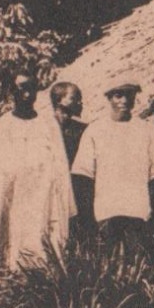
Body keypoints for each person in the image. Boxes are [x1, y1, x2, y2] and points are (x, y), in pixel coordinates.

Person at [0, 69, 77, 276]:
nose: (28, 95)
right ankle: (4, 276)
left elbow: (60, 162)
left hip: (39, 195)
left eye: (32, 90)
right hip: (7, 194)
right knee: (6, 233)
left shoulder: (48, 125)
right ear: (12, 92)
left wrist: (62, 195)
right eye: (22, 89)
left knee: (36, 236)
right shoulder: (0, 125)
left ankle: (36, 278)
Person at [70, 79, 154, 257]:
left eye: (129, 95)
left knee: (138, 264)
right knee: (109, 266)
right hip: (105, 212)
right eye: (118, 95)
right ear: (109, 98)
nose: (124, 101)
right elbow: (83, 176)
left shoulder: (146, 130)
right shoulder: (95, 131)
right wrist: (89, 218)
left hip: (138, 211)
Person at [50, 81, 93, 234]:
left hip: (80, 188)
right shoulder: (44, 130)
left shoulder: (84, 130)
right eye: (75, 98)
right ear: (59, 101)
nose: (80, 103)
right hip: (54, 189)